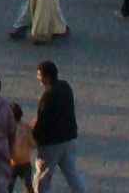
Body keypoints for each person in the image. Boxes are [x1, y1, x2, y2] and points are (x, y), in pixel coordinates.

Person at [30, 61, 87, 193]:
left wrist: (34, 136)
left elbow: (43, 122)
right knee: (72, 174)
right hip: (69, 139)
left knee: (42, 178)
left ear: (47, 77)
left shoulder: (47, 97)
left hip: (52, 144)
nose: (38, 78)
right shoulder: (65, 87)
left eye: (40, 75)